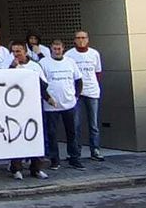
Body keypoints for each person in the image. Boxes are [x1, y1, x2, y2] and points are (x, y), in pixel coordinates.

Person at [7, 42, 52, 181]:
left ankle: (36, 168)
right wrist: (12, 68)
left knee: (37, 136)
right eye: (14, 51)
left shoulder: (35, 66)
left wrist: (48, 98)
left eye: (18, 51)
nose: (16, 54)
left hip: (34, 106)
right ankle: (16, 168)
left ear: (25, 52)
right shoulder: (10, 65)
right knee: (17, 137)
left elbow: (43, 85)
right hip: (16, 108)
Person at [40, 39, 84, 170]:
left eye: (59, 48)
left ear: (63, 48)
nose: (57, 51)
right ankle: (55, 160)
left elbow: (79, 80)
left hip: (69, 104)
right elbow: (40, 83)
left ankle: (74, 158)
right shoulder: (44, 63)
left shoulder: (70, 62)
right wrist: (47, 98)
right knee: (52, 133)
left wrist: (76, 96)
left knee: (72, 132)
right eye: (54, 49)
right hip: (51, 105)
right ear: (51, 49)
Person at [69, 30, 106, 161]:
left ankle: (95, 150)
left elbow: (98, 72)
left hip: (92, 92)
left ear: (88, 39)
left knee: (93, 124)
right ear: (74, 40)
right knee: (76, 124)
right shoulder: (69, 55)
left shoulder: (94, 54)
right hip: (77, 94)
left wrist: (94, 85)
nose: (81, 40)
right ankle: (76, 151)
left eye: (83, 37)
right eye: (78, 38)